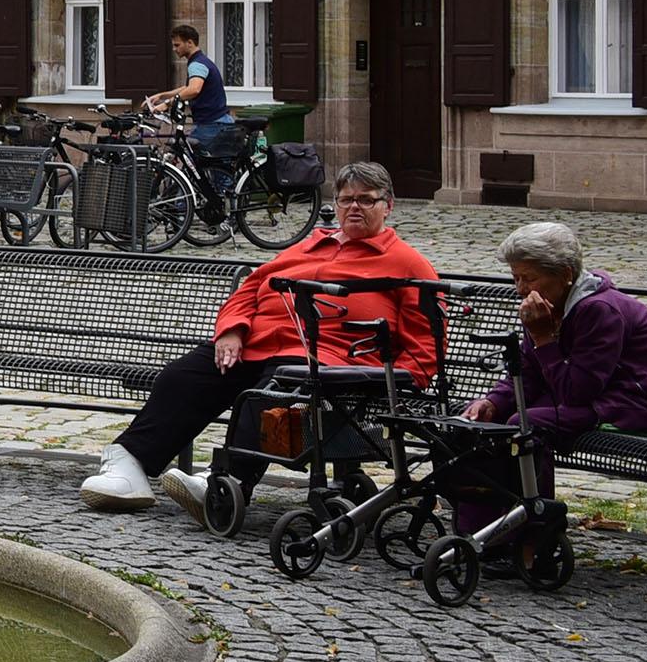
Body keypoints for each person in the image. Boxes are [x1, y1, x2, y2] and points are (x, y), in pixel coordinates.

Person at [79, 160, 440, 515]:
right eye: (346, 199)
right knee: (182, 377)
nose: (354, 207)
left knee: (269, 393)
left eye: (367, 199)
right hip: (255, 345)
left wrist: (396, 382)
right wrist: (232, 330)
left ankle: (226, 483)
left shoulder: (407, 264)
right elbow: (250, 289)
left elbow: (427, 342)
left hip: (326, 359)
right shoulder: (310, 246)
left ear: (388, 206)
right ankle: (131, 465)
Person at [467, 221, 647, 446]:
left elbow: (577, 392)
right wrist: (493, 401)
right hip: (592, 397)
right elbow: (528, 371)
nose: (520, 290)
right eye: (516, 278)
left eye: (529, 279)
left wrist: (543, 337)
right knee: (481, 418)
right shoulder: (550, 306)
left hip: (633, 403)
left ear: (566, 274)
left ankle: (530, 483)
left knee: (527, 424)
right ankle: (478, 483)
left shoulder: (599, 310)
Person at [144, 21, 232, 146]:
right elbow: (188, 87)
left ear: (190, 43)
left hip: (210, 124)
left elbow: (194, 89)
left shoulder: (196, 64)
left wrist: (167, 104)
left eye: (177, 45)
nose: (174, 49)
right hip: (216, 121)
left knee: (190, 156)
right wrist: (162, 95)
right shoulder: (202, 61)